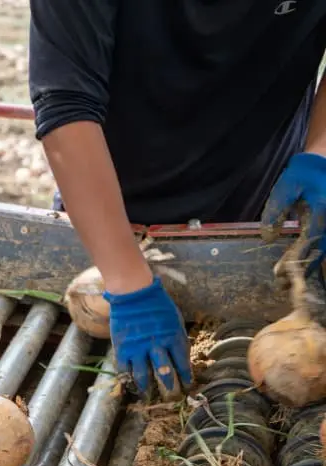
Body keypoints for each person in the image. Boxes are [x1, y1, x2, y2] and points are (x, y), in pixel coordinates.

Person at [28, 0, 326, 395]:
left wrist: (321, 155)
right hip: (115, 212)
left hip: (267, 202)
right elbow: (66, 104)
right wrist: (127, 281)